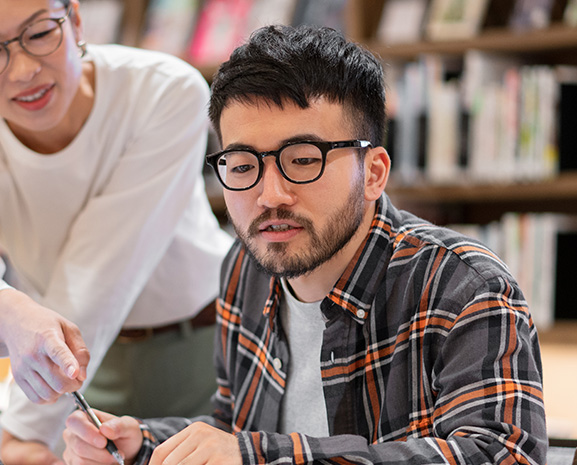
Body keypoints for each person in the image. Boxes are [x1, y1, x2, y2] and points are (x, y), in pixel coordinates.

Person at [62, 24, 548, 465]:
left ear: (374, 172)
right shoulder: (243, 268)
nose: (270, 196)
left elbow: (501, 454)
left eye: (302, 159)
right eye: (242, 165)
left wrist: (258, 454)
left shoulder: (465, 286)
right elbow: (237, 432)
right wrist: (146, 443)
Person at [0, 0, 233, 462]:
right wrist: (11, 312)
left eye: (40, 34)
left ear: (76, 21)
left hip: (209, 354)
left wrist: (24, 429)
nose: (23, 70)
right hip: (79, 367)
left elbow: (102, 265)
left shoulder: (164, 90)